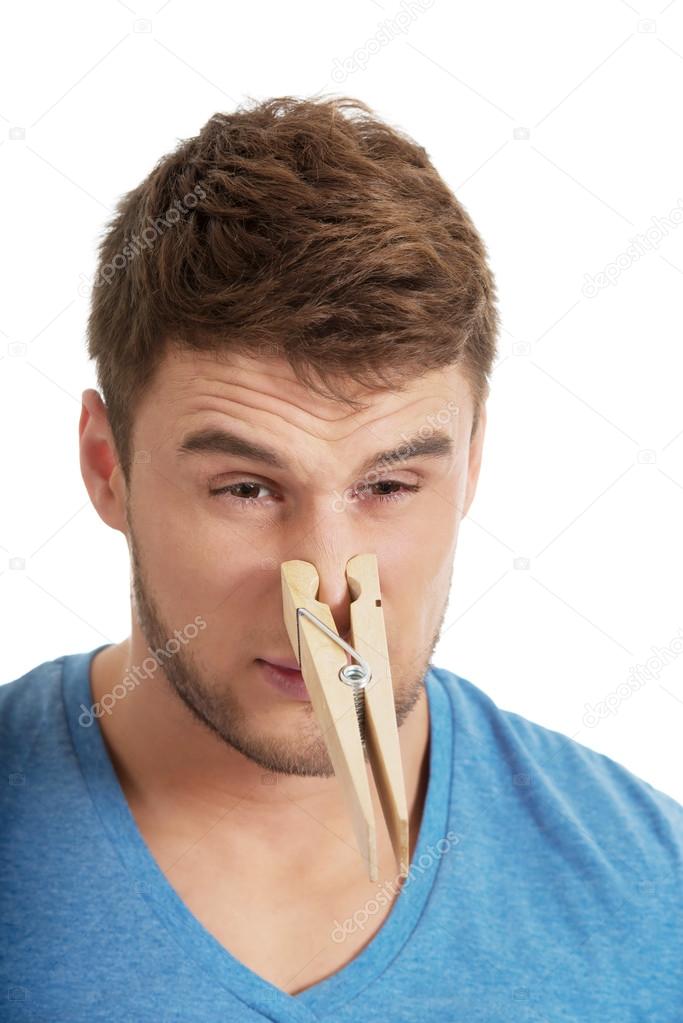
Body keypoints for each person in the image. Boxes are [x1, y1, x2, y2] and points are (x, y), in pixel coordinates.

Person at [1, 95, 681, 1021]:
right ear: (105, 466)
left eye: (389, 487)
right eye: (246, 487)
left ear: (472, 463)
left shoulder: (654, 895)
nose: (321, 587)